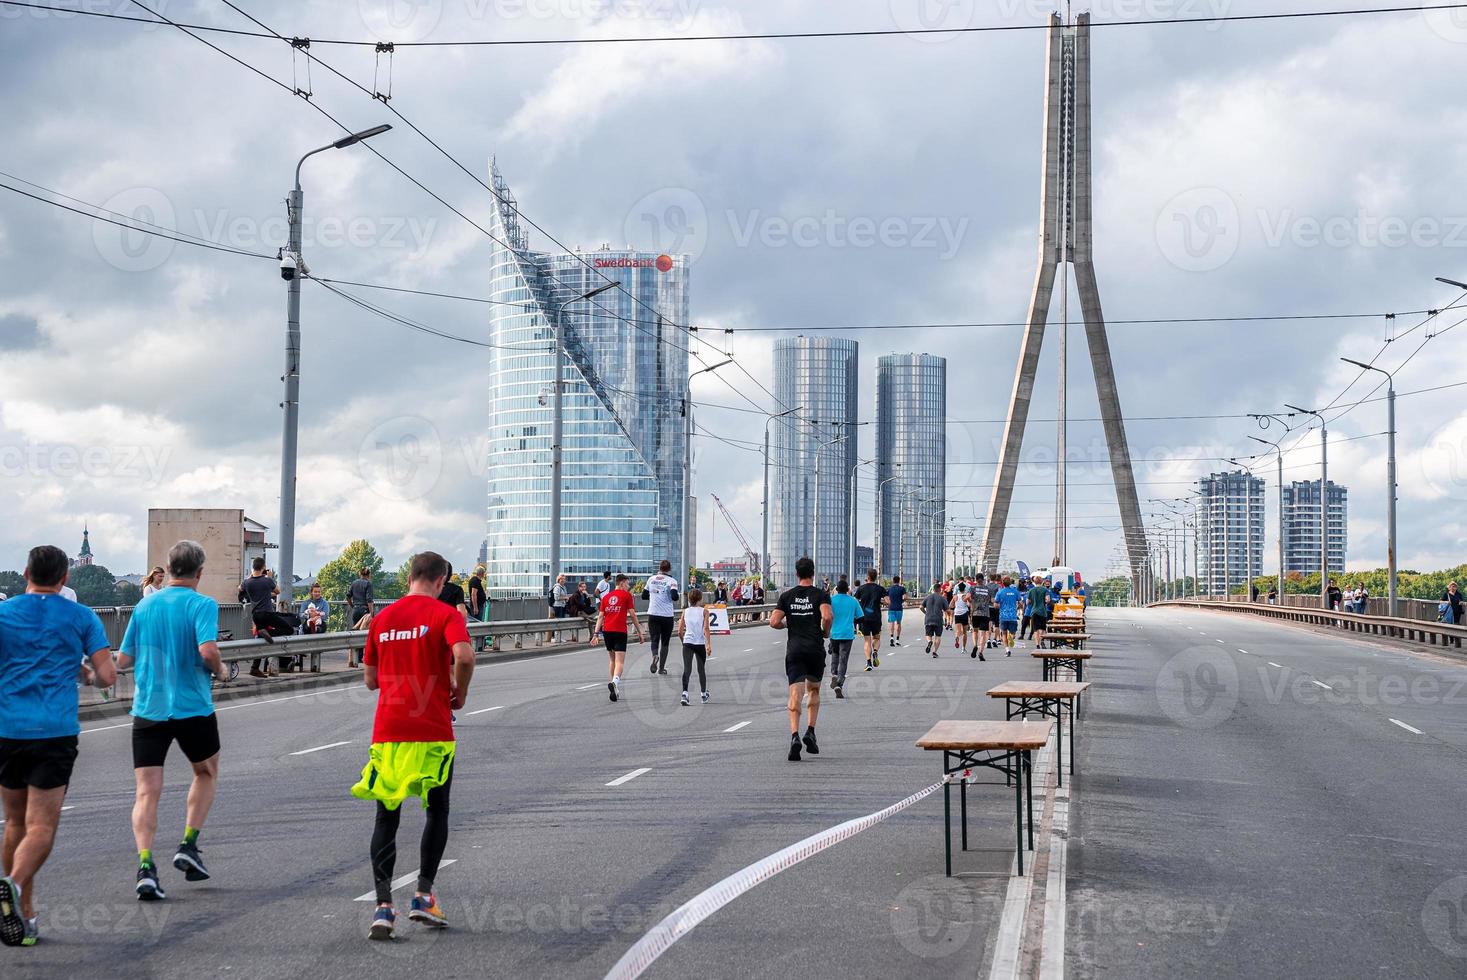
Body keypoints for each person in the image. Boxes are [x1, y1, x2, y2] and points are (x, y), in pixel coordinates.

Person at [352, 551, 474, 940]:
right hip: (433, 730)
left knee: (386, 818)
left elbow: (370, 679)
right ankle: (422, 894)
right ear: (441, 582)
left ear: (409, 577)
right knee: (437, 811)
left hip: (389, 731)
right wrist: (460, 689)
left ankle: (383, 907)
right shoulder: (446, 615)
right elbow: (465, 656)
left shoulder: (382, 619)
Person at [0, 545, 116, 947]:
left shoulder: (3, 613)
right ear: (65, 578)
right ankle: (11, 886)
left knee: (15, 824)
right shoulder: (81, 616)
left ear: (26, 572)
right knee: (42, 827)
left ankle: (25, 916)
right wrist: (83, 674)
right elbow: (107, 676)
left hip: (8, 730)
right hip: (53, 732)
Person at [120, 540, 230, 901]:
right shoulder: (202, 605)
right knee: (205, 772)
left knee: (146, 791)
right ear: (200, 572)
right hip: (191, 707)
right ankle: (188, 844)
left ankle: (146, 866)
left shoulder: (144, 605)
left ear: (167, 570)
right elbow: (208, 650)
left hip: (149, 709)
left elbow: (123, 660)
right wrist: (222, 671)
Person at [770, 557, 831, 762]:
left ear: (796, 573)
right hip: (814, 649)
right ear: (813, 573)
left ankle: (794, 735)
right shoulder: (820, 594)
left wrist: (787, 625)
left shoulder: (787, 596)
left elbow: (774, 621)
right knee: (813, 690)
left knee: (795, 694)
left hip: (794, 650)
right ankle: (810, 731)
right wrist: (825, 632)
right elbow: (828, 616)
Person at [240, 558, 294, 676]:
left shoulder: (247, 582)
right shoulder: (267, 580)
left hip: (255, 615)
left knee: (260, 641)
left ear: (253, 567)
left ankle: (254, 668)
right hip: (267, 614)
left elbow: (240, 588)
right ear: (263, 567)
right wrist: (270, 577)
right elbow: (278, 591)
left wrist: (249, 577)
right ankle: (266, 634)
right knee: (289, 629)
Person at [597, 574, 644, 702]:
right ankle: (615, 682)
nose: (628, 587)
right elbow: (633, 615)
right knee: (620, 662)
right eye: (628, 584)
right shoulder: (626, 596)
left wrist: (596, 634)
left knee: (612, 660)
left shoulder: (606, 597)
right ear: (622, 583)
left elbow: (600, 617)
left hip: (607, 631)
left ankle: (614, 688)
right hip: (620, 631)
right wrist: (640, 631)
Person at [643, 559, 680, 676]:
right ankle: (661, 668)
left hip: (653, 613)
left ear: (659, 568)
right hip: (666, 615)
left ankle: (655, 656)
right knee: (665, 642)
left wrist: (655, 595)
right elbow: (674, 597)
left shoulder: (651, 579)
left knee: (654, 639)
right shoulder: (672, 581)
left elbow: (644, 595)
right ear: (669, 569)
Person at [678, 588, 712, 706]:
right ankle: (703, 694)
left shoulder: (685, 611)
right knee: (701, 669)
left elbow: (679, 631)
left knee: (687, 669)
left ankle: (685, 694)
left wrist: (684, 641)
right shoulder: (704, 611)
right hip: (699, 643)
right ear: (700, 598)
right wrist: (708, 644)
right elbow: (706, 628)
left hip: (688, 642)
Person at [827, 578, 861, 699]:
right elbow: (860, 617)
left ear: (836, 589)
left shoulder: (831, 600)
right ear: (847, 590)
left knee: (835, 654)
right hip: (847, 633)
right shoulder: (853, 601)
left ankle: (834, 674)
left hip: (834, 633)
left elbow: (826, 616)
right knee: (843, 658)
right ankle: (839, 684)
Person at [854, 569, 886, 673]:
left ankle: (868, 663)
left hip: (864, 618)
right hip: (876, 618)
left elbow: (855, 602)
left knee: (867, 641)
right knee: (876, 637)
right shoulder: (880, 589)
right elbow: (888, 601)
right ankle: (875, 651)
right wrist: (880, 602)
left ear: (867, 577)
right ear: (876, 577)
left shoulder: (861, 589)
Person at [994, 576, 1022, 656]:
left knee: (1004, 634)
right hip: (1013, 615)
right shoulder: (1015, 591)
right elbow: (1020, 603)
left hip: (1003, 615)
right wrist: (1018, 607)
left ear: (1002, 583)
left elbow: (995, 605)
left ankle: (1007, 650)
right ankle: (1012, 636)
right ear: (1010, 583)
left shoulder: (1000, 592)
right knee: (1013, 632)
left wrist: (1002, 606)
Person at [921, 582, 948, 658]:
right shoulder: (942, 598)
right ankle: (934, 652)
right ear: (940, 589)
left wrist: (925, 613)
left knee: (928, 635)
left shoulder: (927, 597)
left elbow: (921, 607)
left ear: (933, 589)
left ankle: (929, 642)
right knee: (938, 636)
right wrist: (947, 620)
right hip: (938, 619)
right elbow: (947, 610)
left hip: (928, 619)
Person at [969, 573, 992, 659]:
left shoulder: (973, 588)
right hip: (985, 613)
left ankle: (975, 645)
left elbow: (967, 597)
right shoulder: (988, 589)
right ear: (983, 579)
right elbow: (991, 600)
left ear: (976, 579)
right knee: (983, 634)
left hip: (975, 613)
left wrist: (969, 601)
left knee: (975, 631)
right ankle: (981, 652)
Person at [1026, 577, 1053, 649]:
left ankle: (1037, 645)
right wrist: (1043, 601)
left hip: (1034, 611)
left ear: (1034, 582)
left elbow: (1027, 602)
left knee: (1035, 629)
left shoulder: (1031, 590)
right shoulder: (1045, 590)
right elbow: (1048, 600)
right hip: (1043, 611)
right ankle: (1042, 641)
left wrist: (1033, 602)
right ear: (1042, 582)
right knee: (1042, 628)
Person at [466, 567, 489, 651]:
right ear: (482, 574)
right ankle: (477, 645)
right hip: (477, 606)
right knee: (478, 625)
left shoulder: (474, 580)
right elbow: (473, 594)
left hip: (478, 605)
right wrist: (475, 607)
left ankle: (477, 644)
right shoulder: (475, 581)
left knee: (477, 625)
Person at [886, 575, 907, 648]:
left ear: (893, 581)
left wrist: (889, 603)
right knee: (898, 623)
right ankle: (897, 639)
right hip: (899, 608)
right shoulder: (902, 588)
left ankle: (891, 637)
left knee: (891, 622)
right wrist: (901, 601)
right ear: (899, 581)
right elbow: (905, 597)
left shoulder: (889, 589)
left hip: (891, 608)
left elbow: (886, 598)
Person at [951, 582, 970, 652]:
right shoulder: (965, 596)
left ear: (958, 589)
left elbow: (950, 605)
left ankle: (957, 637)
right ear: (965, 589)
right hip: (964, 613)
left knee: (958, 630)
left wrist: (956, 605)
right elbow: (969, 605)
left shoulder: (955, 596)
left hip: (957, 614)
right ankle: (963, 648)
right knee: (965, 632)